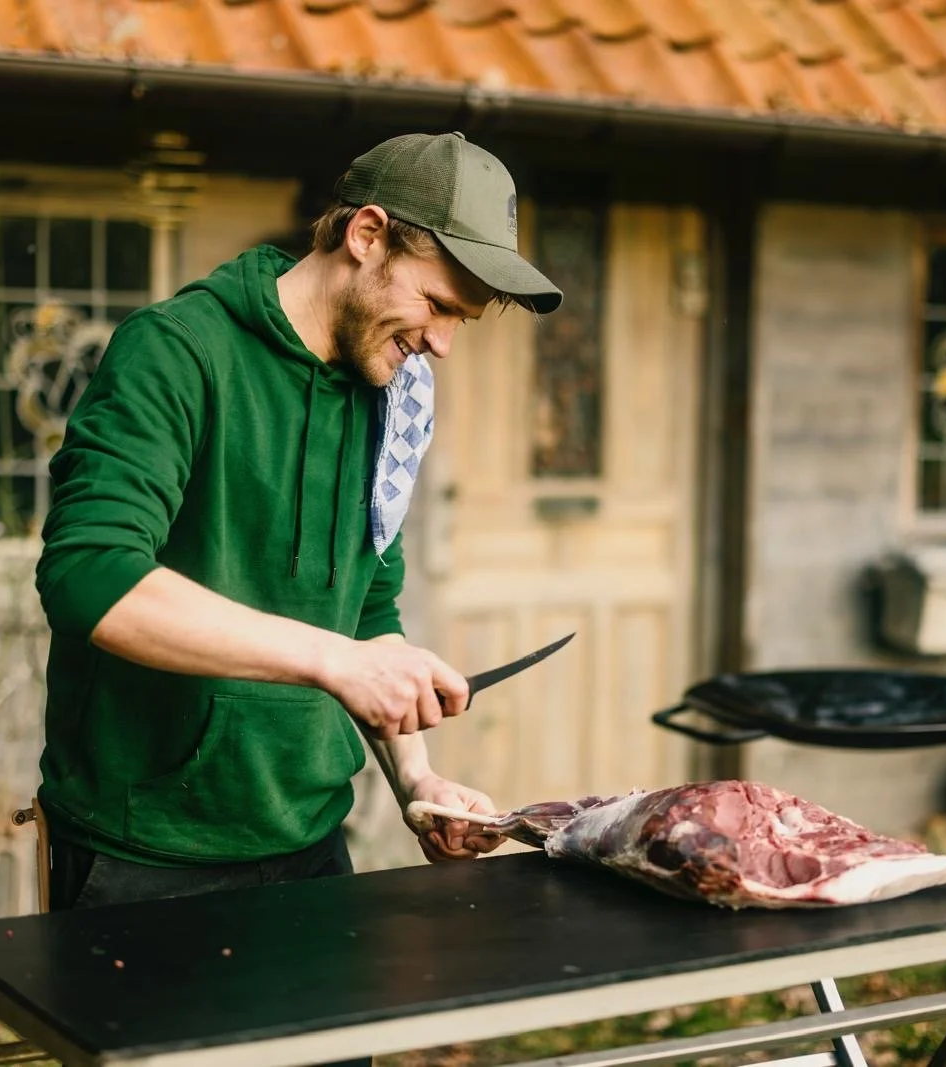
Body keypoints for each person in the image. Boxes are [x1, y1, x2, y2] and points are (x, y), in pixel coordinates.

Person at [31, 131, 564, 912]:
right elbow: (90, 578)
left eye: (464, 321)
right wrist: (334, 661)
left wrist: (419, 781)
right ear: (366, 235)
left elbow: (369, 615)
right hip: (139, 850)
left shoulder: (395, 397)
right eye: (436, 304)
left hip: (309, 843)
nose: (442, 345)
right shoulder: (177, 352)